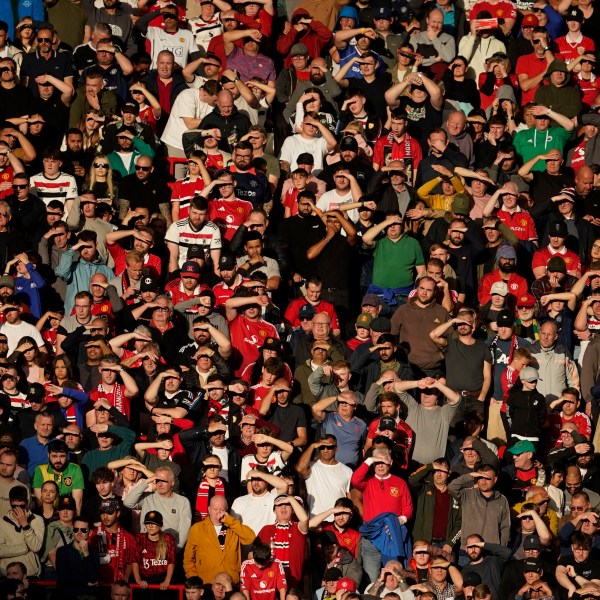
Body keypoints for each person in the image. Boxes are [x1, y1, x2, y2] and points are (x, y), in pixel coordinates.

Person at [183, 495, 255, 584]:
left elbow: (250, 537)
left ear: (227, 511)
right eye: (215, 509)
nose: (218, 513)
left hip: (230, 582)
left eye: (222, 510)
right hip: (207, 582)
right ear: (209, 509)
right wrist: (194, 579)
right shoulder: (197, 528)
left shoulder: (233, 527)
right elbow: (188, 559)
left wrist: (229, 521)